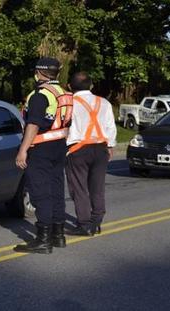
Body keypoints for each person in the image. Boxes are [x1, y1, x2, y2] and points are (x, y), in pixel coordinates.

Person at [13, 57, 72, 254]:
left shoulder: (40, 95)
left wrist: (23, 149)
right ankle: (58, 235)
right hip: (59, 146)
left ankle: (43, 240)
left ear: (39, 72)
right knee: (56, 189)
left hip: (41, 148)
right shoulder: (63, 93)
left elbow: (33, 124)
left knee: (41, 192)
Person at [65, 72, 116, 236]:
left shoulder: (69, 103)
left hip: (77, 149)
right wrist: (110, 145)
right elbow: (110, 127)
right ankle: (96, 221)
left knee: (79, 188)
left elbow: (64, 127)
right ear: (91, 86)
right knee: (97, 187)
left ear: (69, 86)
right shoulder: (104, 102)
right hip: (100, 147)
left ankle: (84, 224)